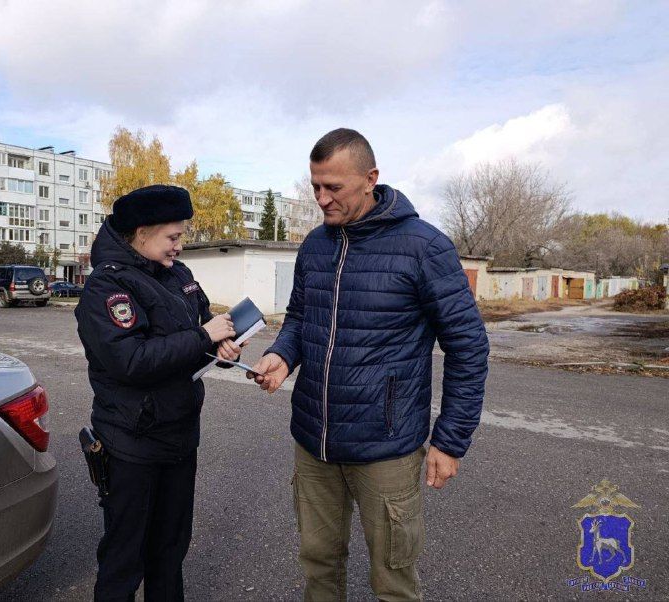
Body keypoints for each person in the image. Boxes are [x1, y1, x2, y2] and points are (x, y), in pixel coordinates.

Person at [249, 129, 489, 601]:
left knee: (393, 578)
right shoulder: (316, 245)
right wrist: (282, 354)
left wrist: (450, 439)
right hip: (314, 441)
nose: (321, 198)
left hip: (387, 446)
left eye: (333, 187)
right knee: (319, 565)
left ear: (370, 179)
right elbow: (300, 316)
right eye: (315, 186)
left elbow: (469, 346)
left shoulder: (424, 247)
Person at [75, 184, 242, 602]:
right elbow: (130, 361)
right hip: (131, 445)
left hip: (179, 439)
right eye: (174, 237)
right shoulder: (106, 289)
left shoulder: (178, 276)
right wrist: (204, 335)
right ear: (143, 232)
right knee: (124, 559)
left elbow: (202, 326)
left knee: (169, 553)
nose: (180, 246)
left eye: (182, 235)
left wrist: (223, 347)